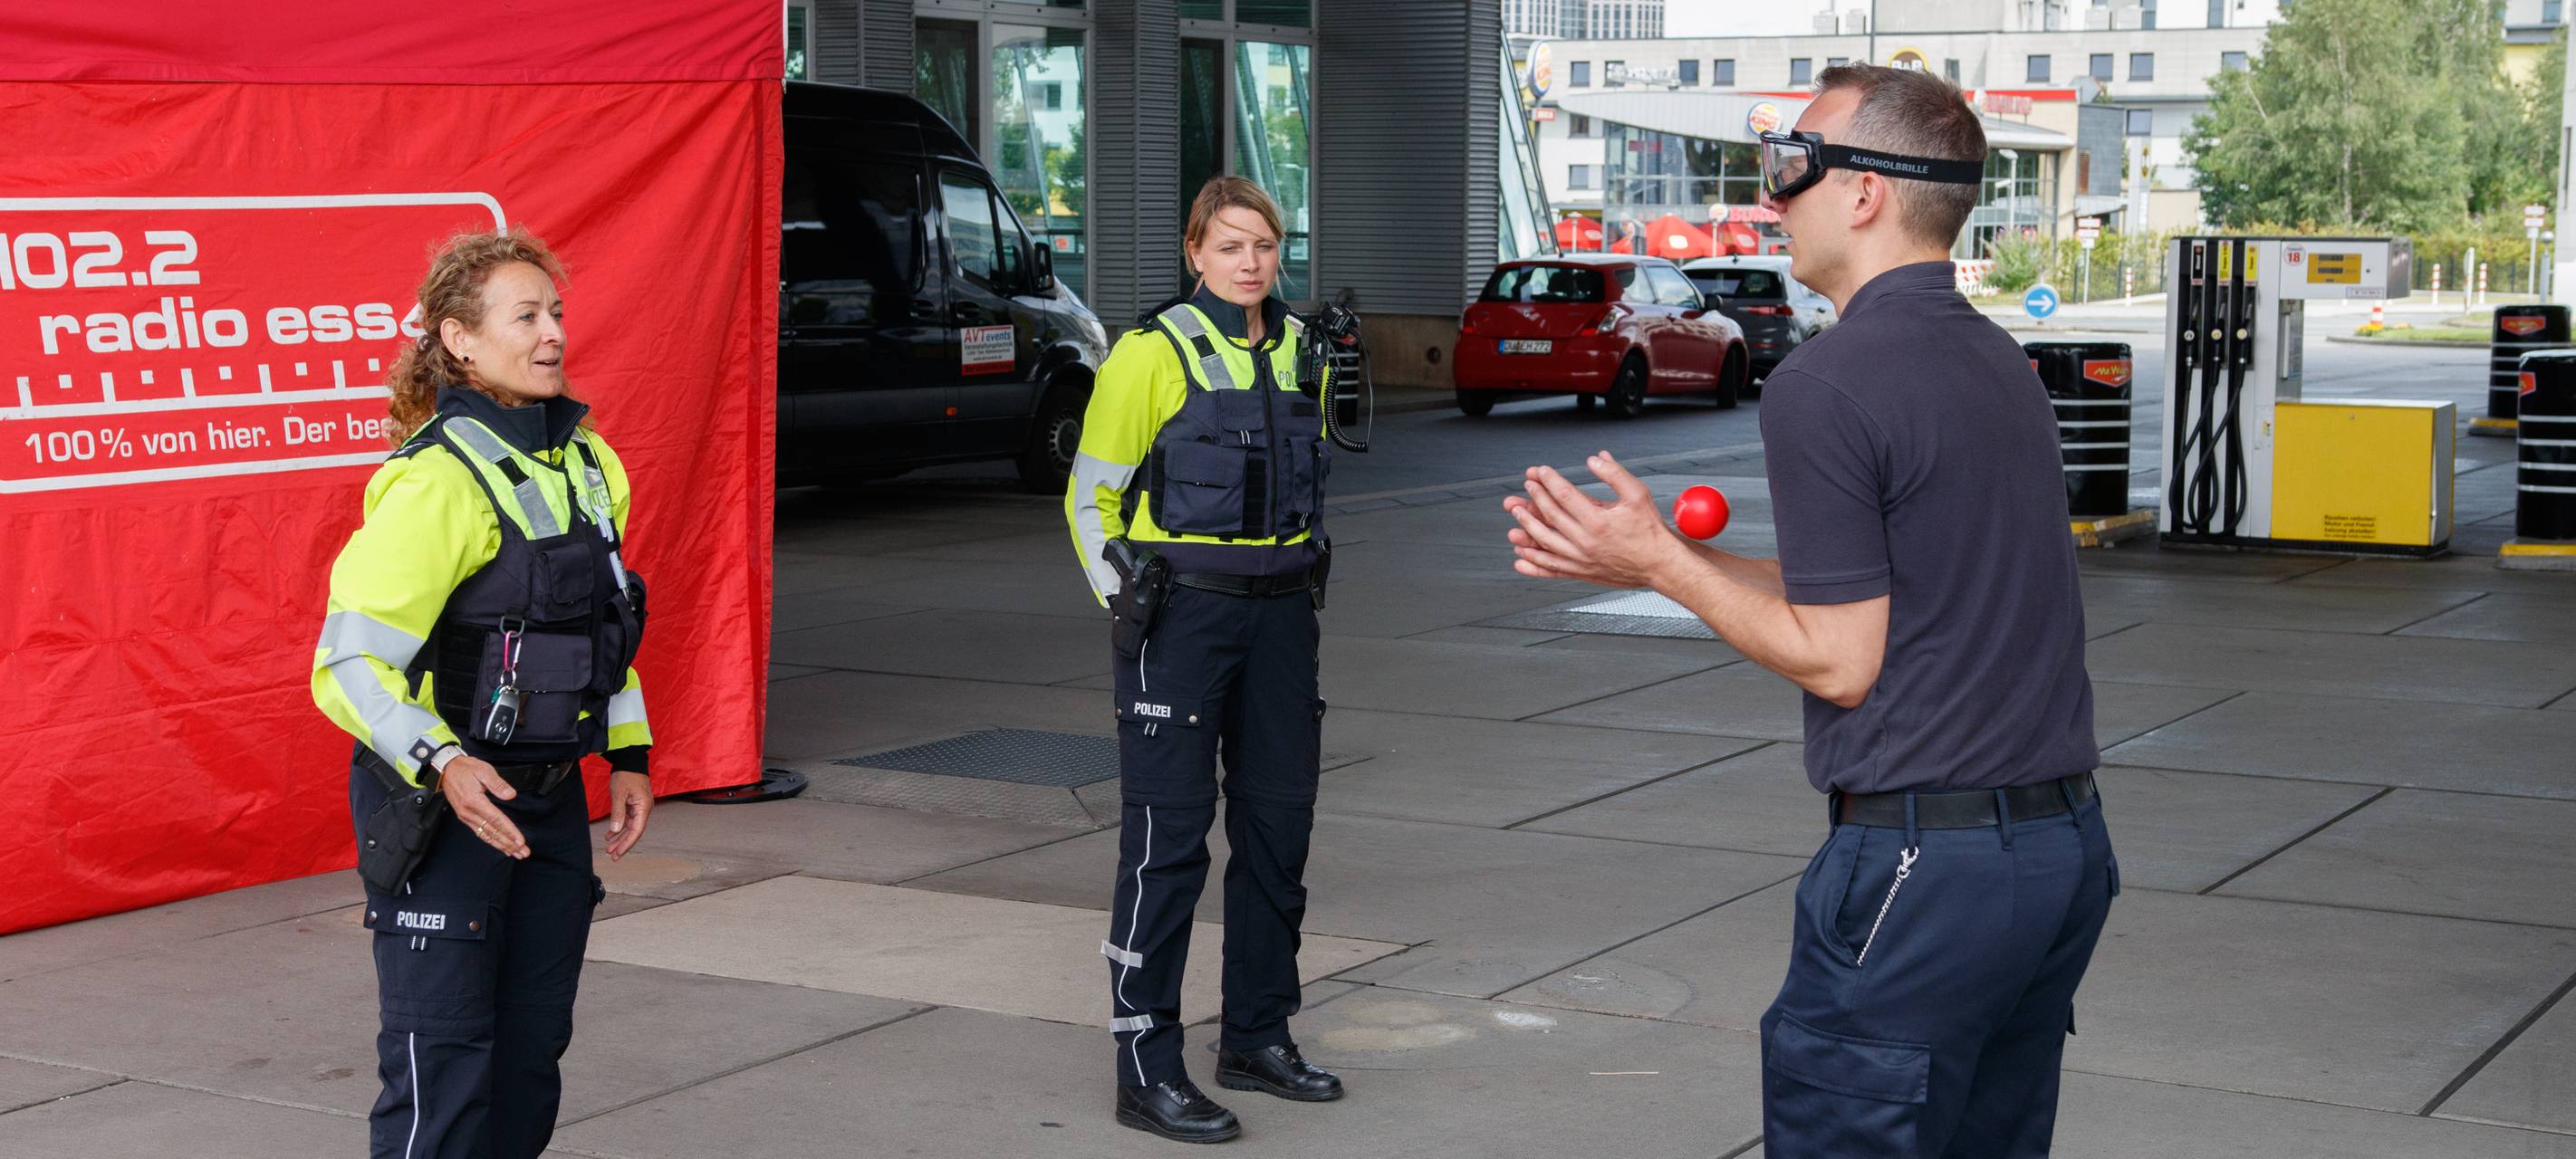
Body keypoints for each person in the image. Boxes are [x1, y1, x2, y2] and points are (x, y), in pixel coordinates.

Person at [1502, 64, 2116, 1158]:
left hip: (1923, 872)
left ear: (1868, 192)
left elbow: (1840, 659)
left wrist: (1664, 565)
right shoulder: (1997, 361)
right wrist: (1669, 560)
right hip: (2058, 857)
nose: (1775, 194)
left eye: (1795, 164)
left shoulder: (1827, 383)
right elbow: (1893, 599)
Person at [312, 227, 655, 1159]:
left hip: (544, 805)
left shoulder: (590, 464)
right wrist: (446, 761)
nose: (552, 335)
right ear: (459, 339)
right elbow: (347, 664)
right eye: (526, 316)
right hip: (441, 812)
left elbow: (604, 631)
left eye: (556, 314)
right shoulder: (434, 482)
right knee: (444, 1067)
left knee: (528, 1056)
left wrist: (628, 752)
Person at [1064, 176, 1344, 1145]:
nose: (1251, 262)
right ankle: (1145, 1065)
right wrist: (1127, 602)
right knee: (1167, 844)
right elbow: (1089, 497)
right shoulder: (1152, 352)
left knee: (1276, 831)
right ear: (1196, 252)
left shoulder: (1308, 350)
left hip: (1281, 623)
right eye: (1231, 245)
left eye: (1265, 244)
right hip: (1182, 621)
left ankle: (1256, 1035)